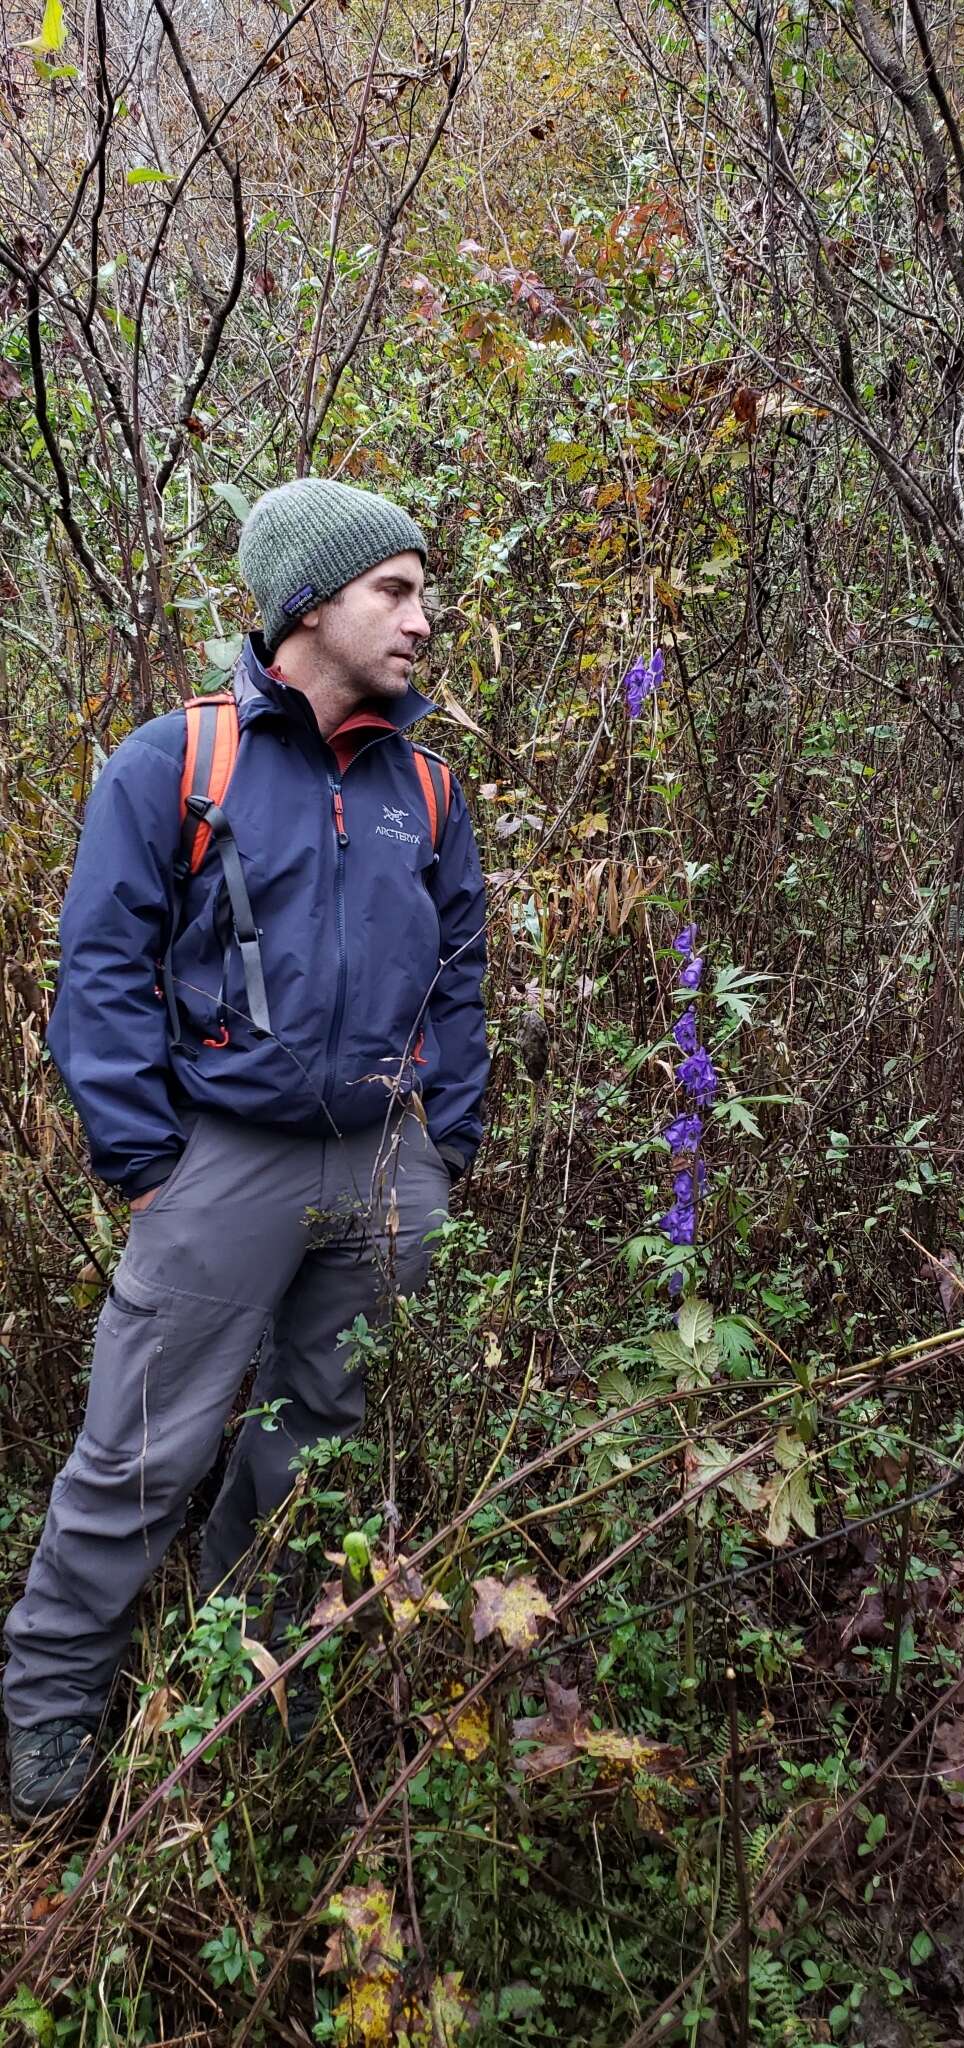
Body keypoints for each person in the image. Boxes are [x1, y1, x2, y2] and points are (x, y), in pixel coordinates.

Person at [3, 477, 489, 1822]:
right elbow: (98, 976)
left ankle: (246, 1698)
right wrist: (150, 1163)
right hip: (220, 1164)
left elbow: (460, 971)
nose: (421, 618)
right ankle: (47, 1720)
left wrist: (444, 1142)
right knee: (140, 1457)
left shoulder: (428, 789)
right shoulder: (177, 763)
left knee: (312, 1455)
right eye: (394, 590)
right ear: (307, 604)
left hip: (384, 1172)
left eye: (422, 590)